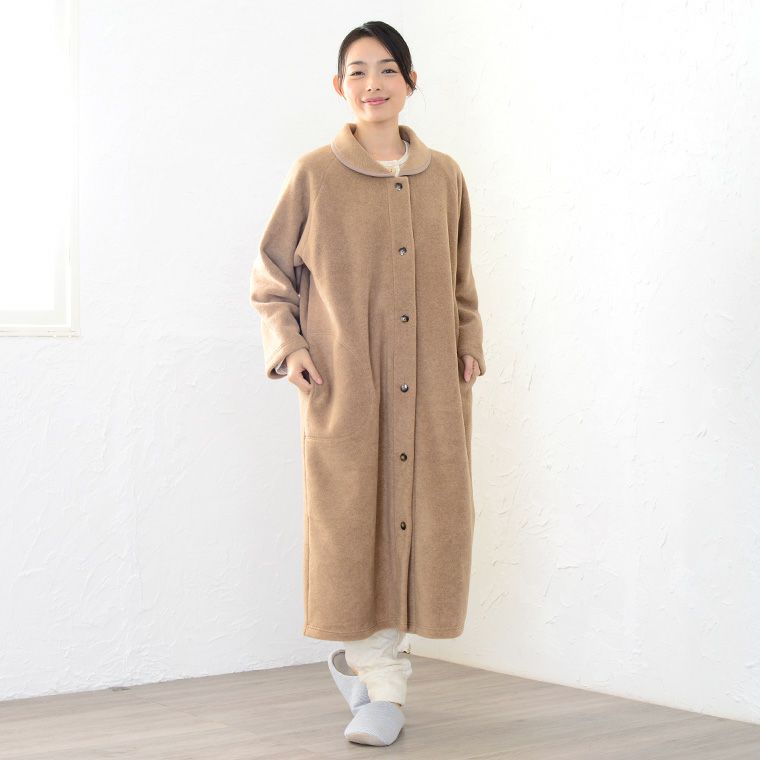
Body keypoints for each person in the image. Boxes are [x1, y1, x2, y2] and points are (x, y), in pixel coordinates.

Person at [250, 20, 485, 747]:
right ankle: (381, 685)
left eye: (387, 69)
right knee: (352, 527)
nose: (372, 84)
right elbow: (269, 278)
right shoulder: (315, 174)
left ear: (411, 82)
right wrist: (290, 349)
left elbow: (461, 280)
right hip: (348, 386)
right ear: (338, 86)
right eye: (357, 71)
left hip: (434, 388)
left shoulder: (445, 176)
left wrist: (470, 343)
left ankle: (377, 676)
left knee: (428, 522)